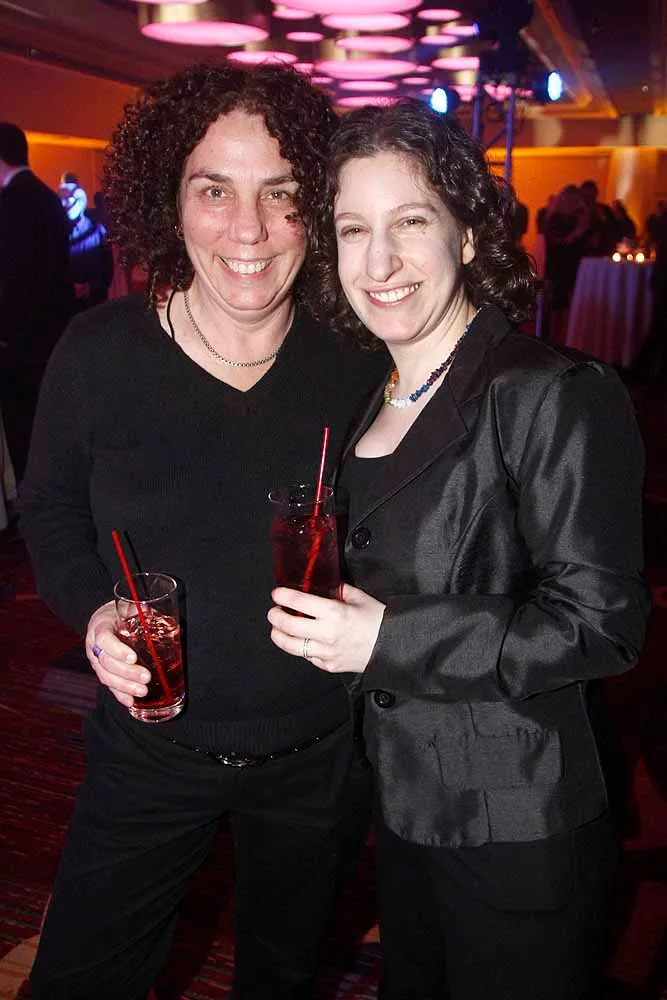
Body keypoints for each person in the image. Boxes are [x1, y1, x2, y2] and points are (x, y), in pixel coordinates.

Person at [268, 100, 651, 1000]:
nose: (378, 262)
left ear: (469, 234)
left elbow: (601, 623)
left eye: (410, 222)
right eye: (352, 229)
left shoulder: (547, 392)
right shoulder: (371, 395)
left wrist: (386, 640)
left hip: (516, 819)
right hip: (401, 804)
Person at [21, 63, 386, 1000]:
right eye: (214, 190)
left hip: (318, 756)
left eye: (281, 193)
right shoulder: (99, 353)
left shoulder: (358, 361)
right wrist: (93, 611)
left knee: (283, 978)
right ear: (168, 199)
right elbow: (50, 510)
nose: (248, 230)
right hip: (149, 750)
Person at [0, 123, 74, 481]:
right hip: (53, 333)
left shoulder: (11, 203)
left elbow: (12, 277)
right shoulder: (46, 197)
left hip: (20, 341)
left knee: (25, 434)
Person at [59, 174, 113, 308]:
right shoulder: (56, 232)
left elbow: (107, 265)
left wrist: (93, 286)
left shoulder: (98, 229)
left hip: (95, 300)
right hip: (68, 302)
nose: (70, 200)